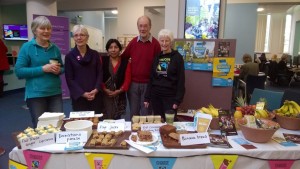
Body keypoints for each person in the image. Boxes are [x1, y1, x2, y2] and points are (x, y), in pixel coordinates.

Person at [15, 16, 64, 127]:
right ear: (34, 30)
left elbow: (62, 67)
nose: (46, 31)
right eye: (42, 28)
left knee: (58, 125)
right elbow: (19, 72)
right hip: (36, 95)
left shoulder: (55, 48)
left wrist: (58, 70)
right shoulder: (27, 47)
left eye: (48, 28)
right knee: (41, 128)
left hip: (55, 93)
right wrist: (42, 69)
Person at [121, 15, 161, 118]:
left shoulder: (156, 44)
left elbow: (160, 66)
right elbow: (124, 57)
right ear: (138, 27)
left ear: (150, 27)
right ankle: (134, 134)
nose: (143, 29)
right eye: (140, 26)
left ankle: (145, 134)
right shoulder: (133, 42)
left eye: (145, 26)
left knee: (146, 114)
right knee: (133, 114)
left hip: (148, 85)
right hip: (133, 85)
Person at [144, 29, 185, 121]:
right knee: (159, 123)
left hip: (170, 97)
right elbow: (152, 78)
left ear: (171, 42)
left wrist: (177, 100)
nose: (164, 43)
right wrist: (147, 97)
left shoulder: (177, 58)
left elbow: (181, 80)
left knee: (170, 124)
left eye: (167, 40)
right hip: (156, 96)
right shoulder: (157, 57)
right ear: (159, 41)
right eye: (162, 41)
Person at [65, 25, 103, 114]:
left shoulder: (95, 54)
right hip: (79, 97)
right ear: (73, 38)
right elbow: (69, 79)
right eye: (76, 35)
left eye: (82, 35)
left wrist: (96, 89)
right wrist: (83, 93)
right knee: (81, 123)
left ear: (87, 37)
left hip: (95, 95)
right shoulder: (69, 56)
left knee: (96, 123)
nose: (79, 38)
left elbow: (100, 73)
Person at [102, 39, 131, 119]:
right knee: (104, 118)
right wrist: (104, 89)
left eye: (116, 47)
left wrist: (119, 91)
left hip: (119, 94)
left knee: (117, 118)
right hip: (104, 95)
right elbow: (99, 76)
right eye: (111, 47)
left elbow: (127, 79)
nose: (113, 50)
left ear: (120, 49)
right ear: (107, 49)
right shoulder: (102, 60)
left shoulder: (126, 62)